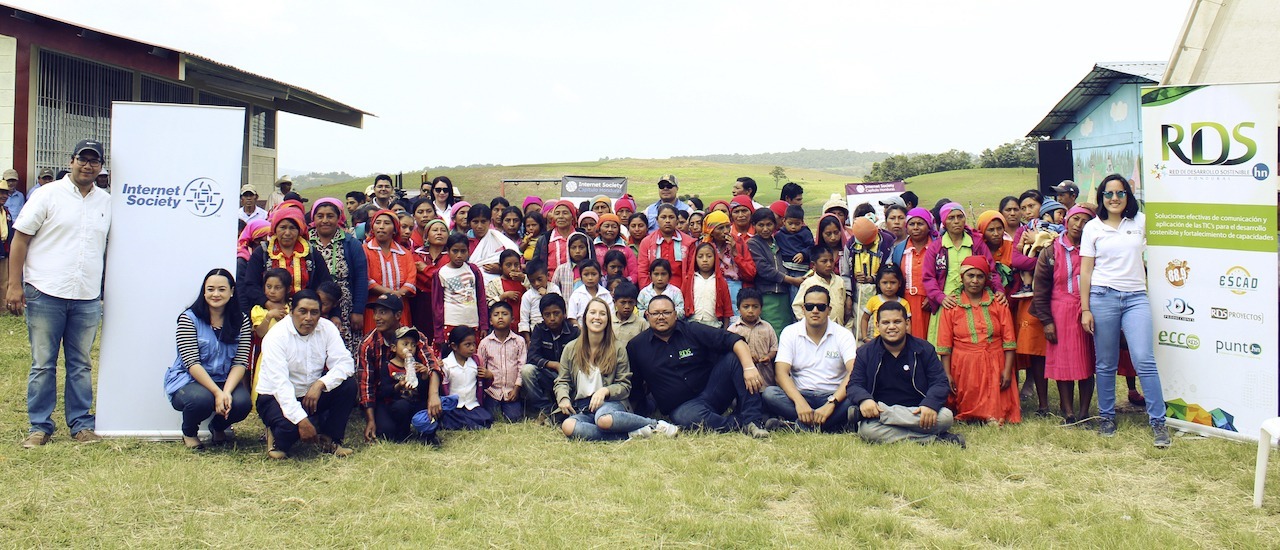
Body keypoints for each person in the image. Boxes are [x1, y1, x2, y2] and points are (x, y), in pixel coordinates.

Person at [9, 139, 111, 448]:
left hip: (87, 296)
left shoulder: (106, 202)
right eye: (83, 159)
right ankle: (39, 427)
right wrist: (14, 285)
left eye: (94, 161)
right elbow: (20, 239)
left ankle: (81, 424)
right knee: (43, 363)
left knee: (81, 364)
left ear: (101, 167)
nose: (88, 165)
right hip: (45, 292)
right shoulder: (47, 195)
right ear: (71, 161)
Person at [1080, 174, 1170, 447]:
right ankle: (1106, 417)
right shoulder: (1092, 228)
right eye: (1109, 194)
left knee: (1144, 359)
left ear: (1128, 196)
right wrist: (1085, 308)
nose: (1114, 198)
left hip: (1136, 298)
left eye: (1120, 193)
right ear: (1101, 197)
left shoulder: (1140, 221)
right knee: (1105, 362)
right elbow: (1086, 271)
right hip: (1102, 297)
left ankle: (1158, 422)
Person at [627, 295, 770, 437]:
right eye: (655, 313)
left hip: (713, 392)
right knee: (687, 418)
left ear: (675, 315)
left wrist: (749, 368)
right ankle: (741, 423)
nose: (661, 317)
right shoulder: (636, 346)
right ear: (647, 315)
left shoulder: (692, 330)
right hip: (683, 407)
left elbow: (734, 340)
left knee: (736, 357)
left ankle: (754, 420)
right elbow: (636, 387)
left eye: (666, 312)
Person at [554, 298, 679, 441]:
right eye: (593, 312)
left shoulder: (617, 348)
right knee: (568, 426)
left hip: (610, 404)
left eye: (602, 314)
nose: (597, 317)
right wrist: (563, 398)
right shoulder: (571, 348)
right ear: (585, 317)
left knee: (603, 419)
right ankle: (630, 434)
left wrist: (605, 391)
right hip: (583, 407)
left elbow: (625, 386)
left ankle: (655, 424)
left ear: (608, 319)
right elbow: (562, 381)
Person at [846, 302, 966, 447]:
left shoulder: (924, 349)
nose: (891, 327)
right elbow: (854, 385)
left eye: (897, 322)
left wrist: (930, 404)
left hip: (917, 411)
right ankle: (935, 440)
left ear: (907, 323)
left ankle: (887, 417)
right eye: (886, 322)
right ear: (877, 325)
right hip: (886, 410)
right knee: (868, 431)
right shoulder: (865, 352)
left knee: (946, 417)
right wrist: (864, 400)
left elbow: (940, 382)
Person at [256, 290, 359, 459]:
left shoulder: (327, 328)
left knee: (348, 385)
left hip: (310, 394)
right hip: (275, 397)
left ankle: (330, 439)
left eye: (314, 312)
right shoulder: (276, 336)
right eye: (302, 311)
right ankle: (275, 434)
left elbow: (345, 363)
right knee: (290, 432)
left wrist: (320, 384)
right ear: (291, 311)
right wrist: (301, 421)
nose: (308, 318)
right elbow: (280, 385)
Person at [162, 269, 253, 449]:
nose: (215, 294)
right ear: (204, 292)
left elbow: (240, 361)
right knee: (201, 400)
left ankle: (218, 427)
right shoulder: (188, 319)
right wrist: (217, 393)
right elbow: (191, 363)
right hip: (189, 380)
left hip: (224, 379)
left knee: (242, 404)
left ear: (232, 291)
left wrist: (226, 392)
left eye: (221, 289)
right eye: (210, 289)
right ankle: (189, 432)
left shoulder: (241, 321)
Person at [936, 256, 1020, 425]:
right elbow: (945, 344)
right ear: (962, 277)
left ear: (986, 278)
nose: (975, 281)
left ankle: (991, 413)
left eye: (980, 276)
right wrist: (947, 374)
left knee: (997, 412)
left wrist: (1007, 370)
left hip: (995, 362)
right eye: (970, 275)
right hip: (964, 365)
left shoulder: (998, 303)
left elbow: (1009, 341)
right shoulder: (952, 305)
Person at [1033, 205, 1096, 423]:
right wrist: (1047, 321)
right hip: (1059, 312)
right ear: (1067, 220)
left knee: (1087, 363)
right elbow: (1040, 288)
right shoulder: (1051, 251)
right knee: (1063, 364)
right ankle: (1068, 412)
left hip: (1087, 310)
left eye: (1085, 221)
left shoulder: (1094, 248)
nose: (1079, 225)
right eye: (1075, 219)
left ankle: (1084, 412)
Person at [765, 286, 859, 432]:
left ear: (829, 310)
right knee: (770, 394)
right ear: (803, 309)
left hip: (834, 396)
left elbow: (854, 372)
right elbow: (780, 373)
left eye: (821, 307)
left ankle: (797, 426)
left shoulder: (843, 335)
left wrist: (831, 403)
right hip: (801, 395)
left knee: (854, 398)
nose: (815, 311)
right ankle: (830, 426)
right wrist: (799, 402)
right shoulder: (790, 332)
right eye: (810, 306)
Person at [357, 296, 444, 444]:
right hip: (387, 399)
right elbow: (366, 386)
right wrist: (370, 420)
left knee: (434, 398)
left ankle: (427, 427)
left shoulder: (415, 336)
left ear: (398, 315)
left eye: (383, 312)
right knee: (387, 432)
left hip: (416, 396)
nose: (377, 317)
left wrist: (433, 396)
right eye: (375, 312)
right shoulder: (368, 344)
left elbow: (433, 365)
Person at [921, 202, 1004, 346]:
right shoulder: (936, 247)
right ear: (944, 222)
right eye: (951, 218)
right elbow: (928, 277)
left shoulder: (976, 244)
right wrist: (940, 297)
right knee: (944, 345)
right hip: (947, 302)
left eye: (960, 216)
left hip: (974, 301)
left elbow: (991, 271)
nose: (956, 221)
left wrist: (999, 290)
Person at [241, 208, 332, 309]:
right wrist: (267, 303)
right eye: (283, 227)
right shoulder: (262, 252)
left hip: (306, 311)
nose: (287, 233)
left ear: (299, 230)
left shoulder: (310, 253)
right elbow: (251, 284)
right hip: (269, 311)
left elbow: (326, 283)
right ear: (275, 229)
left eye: (292, 228)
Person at [309, 198, 368, 354]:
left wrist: (358, 310)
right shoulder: (306, 243)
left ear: (339, 218)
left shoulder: (351, 243)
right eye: (320, 216)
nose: (325, 220)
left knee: (341, 350)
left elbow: (361, 278)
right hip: (312, 304)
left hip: (344, 307)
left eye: (330, 216)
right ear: (313, 219)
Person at [522, 293, 580, 418]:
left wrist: (565, 369)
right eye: (547, 315)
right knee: (527, 371)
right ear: (542, 316)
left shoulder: (574, 332)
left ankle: (571, 407)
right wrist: (553, 365)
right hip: (548, 375)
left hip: (569, 377)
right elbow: (532, 356)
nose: (552, 318)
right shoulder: (539, 329)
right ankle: (545, 409)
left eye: (556, 313)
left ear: (564, 313)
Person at [748, 207, 801, 338]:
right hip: (767, 294)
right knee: (770, 332)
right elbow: (763, 268)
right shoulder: (753, 243)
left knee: (786, 330)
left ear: (775, 224)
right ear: (754, 225)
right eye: (761, 225)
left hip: (784, 293)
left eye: (769, 224)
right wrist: (790, 280)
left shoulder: (778, 240)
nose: (765, 229)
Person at [362, 209, 416, 335]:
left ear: (395, 229)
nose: (381, 227)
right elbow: (366, 279)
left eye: (386, 223)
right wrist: (392, 293)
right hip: (374, 305)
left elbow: (411, 279)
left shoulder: (405, 253)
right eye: (378, 223)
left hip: (399, 306)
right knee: (375, 340)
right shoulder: (364, 250)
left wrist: (398, 294)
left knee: (401, 339)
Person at [432, 233, 489, 343]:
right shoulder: (441, 273)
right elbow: (437, 305)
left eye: (463, 251)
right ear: (448, 251)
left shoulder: (473, 270)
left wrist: (484, 324)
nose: (459, 255)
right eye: (455, 251)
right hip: (451, 322)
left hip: (472, 322)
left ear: (468, 251)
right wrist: (438, 333)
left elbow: (481, 298)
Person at [477, 302, 526, 422]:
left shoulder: (519, 341)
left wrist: (517, 388)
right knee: (489, 417)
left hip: (511, 391)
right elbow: (480, 367)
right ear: (490, 321)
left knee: (514, 418)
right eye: (496, 315)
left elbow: (522, 366)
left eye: (504, 314)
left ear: (512, 319)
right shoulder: (485, 343)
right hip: (491, 392)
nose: (500, 317)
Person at [702, 210, 755, 317]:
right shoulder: (705, 246)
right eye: (720, 228)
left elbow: (751, 272)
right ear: (711, 231)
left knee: (735, 318)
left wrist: (735, 253)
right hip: (713, 286)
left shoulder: (738, 242)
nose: (726, 231)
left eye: (727, 226)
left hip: (735, 287)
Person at [727, 288, 779, 387]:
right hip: (742, 378)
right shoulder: (733, 330)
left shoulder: (767, 327)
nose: (750, 311)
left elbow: (774, 348)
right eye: (746, 307)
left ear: (761, 309)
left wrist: (768, 356)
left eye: (755, 307)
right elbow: (728, 354)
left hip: (765, 378)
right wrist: (745, 357)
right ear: (738, 308)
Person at [637, 204, 694, 288]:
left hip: (681, 290)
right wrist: (649, 292)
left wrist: (685, 291)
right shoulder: (647, 242)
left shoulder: (688, 242)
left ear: (677, 220)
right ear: (657, 220)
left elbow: (691, 271)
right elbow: (642, 271)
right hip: (654, 292)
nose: (667, 221)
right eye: (663, 217)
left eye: (671, 217)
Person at [792, 245, 850, 328]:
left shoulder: (840, 281)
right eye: (824, 261)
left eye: (831, 261)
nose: (829, 264)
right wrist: (808, 323)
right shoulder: (808, 283)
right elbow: (797, 306)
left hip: (838, 327)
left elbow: (842, 302)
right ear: (814, 264)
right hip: (818, 329)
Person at [682, 241, 732, 328]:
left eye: (709, 256)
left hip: (714, 326)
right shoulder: (689, 280)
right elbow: (681, 303)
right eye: (700, 256)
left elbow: (727, 309)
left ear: (715, 258)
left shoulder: (721, 282)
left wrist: (725, 330)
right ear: (695, 259)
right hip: (691, 326)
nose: (705, 260)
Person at [859, 264, 909, 343]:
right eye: (885, 283)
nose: (889, 286)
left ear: (899, 283)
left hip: (898, 342)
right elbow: (865, 319)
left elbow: (908, 324)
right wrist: (865, 337)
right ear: (879, 283)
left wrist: (907, 341)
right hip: (878, 341)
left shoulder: (904, 303)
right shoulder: (874, 300)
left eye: (893, 282)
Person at [531, 200, 578, 274]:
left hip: (576, 280)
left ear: (572, 216)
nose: (561, 216)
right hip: (551, 280)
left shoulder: (582, 237)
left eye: (565, 213)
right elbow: (536, 264)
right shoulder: (545, 239)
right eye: (557, 213)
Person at [518, 259, 561, 338]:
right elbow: (524, 320)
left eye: (539, 279)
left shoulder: (554, 289)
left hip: (556, 330)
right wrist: (528, 340)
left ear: (547, 275)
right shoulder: (527, 296)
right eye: (532, 281)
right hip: (536, 334)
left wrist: (546, 296)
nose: (536, 284)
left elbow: (560, 307)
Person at [593, 213, 637, 283]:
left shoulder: (626, 250)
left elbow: (634, 273)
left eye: (614, 227)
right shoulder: (593, 248)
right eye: (606, 226)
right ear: (599, 229)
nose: (610, 229)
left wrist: (625, 284)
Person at [565, 258, 612, 324]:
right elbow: (572, 317)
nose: (590, 278)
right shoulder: (576, 294)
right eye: (586, 275)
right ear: (581, 276)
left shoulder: (606, 294)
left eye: (594, 274)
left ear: (599, 275)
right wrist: (581, 330)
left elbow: (611, 315)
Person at [610, 281, 648, 345]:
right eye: (623, 302)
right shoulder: (608, 321)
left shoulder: (641, 323)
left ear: (635, 303)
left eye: (630, 302)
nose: (627, 306)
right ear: (615, 302)